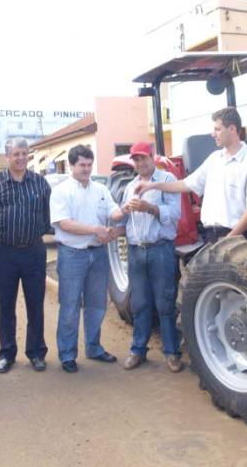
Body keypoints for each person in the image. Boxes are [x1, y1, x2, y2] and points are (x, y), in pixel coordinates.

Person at [135, 106, 247, 244]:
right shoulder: (215, 159)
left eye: (217, 129)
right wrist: (153, 185)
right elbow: (186, 184)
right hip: (211, 237)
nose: (213, 134)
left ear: (232, 129)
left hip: (236, 240)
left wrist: (229, 240)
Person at [109, 141, 184, 373]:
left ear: (152, 157)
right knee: (139, 304)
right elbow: (122, 221)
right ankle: (137, 350)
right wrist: (122, 214)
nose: (140, 163)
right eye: (136, 159)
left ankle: (172, 353)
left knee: (165, 303)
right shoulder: (130, 185)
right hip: (136, 251)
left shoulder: (168, 182)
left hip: (160, 249)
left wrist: (149, 207)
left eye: (143, 158)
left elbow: (175, 215)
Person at [50, 144, 121, 373]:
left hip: (97, 254)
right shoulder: (61, 191)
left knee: (97, 304)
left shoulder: (100, 189)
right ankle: (68, 354)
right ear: (71, 165)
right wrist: (95, 230)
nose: (87, 169)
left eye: (90, 165)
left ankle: (94, 347)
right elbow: (64, 223)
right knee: (70, 305)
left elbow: (113, 211)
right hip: (72, 255)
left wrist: (127, 209)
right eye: (82, 165)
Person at [0, 138, 51, 374]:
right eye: (16, 154)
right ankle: (6, 353)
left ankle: (36, 352)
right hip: (4, 252)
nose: (21, 158)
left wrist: (29, 232)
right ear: (7, 157)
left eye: (24, 153)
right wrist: (7, 233)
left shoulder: (41, 183)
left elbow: (46, 217)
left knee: (35, 304)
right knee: (5, 304)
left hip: (33, 251)